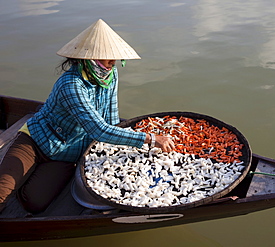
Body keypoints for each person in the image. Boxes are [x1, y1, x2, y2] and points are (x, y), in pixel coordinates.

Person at [0, 19, 175, 214]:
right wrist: (149, 139)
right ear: (90, 59)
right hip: (35, 141)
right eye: (107, 58)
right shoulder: (71, 85)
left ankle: (25, 180)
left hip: (67, 153)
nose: (112, 63)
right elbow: (99, 130)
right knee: (2, 192)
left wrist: (121, 145)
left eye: (114, 59)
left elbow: (110, 118)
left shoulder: (110, 74)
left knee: (33, 203)